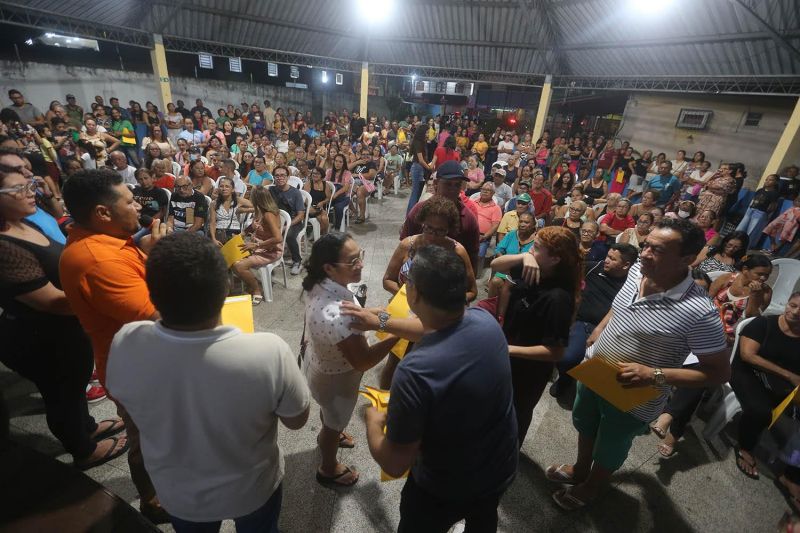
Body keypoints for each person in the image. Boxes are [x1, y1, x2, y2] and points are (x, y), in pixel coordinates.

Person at [105, 232, 309, 532]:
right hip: (252, 488)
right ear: (226, 287)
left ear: (151, 291)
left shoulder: (127, 341)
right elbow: (296, 420)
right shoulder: (268, 350)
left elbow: (125, 401)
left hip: (179, 494)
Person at [546, 218, 729, 510]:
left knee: (611, 443)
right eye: (645, 246)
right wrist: (600, 329)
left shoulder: (699, 311)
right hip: (596, 369)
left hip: (633, 392)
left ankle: (593, 486)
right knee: (586, 424)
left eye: (656, 250)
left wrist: (655, 374)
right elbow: (619, 309)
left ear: (687, 259)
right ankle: (580, 469)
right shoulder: (635, 272)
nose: (644, 253)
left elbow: (718, 371)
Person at [353, 245, 519, 531]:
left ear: (413, 294)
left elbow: (394, 463)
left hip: (445, 486)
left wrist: (372, 422)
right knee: (483, 521)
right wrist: (381, 321)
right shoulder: (485, 321)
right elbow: (433, 327)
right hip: (499, 466)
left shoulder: (416, 371)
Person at [0, 157, 129, 470]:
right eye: (18, 189)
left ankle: (87, 426)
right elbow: (49, 302)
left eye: (29, 185)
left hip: (67, 328)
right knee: (61, 393)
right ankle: (83, 449)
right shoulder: (4, 246)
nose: (31, 192)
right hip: (38, 336)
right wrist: (102, 299)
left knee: (74, 384)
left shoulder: (24, 221)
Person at [59, 168, 169, 523]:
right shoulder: (98, 260)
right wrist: (166, 257)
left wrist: (143, 250)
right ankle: (152, 500)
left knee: (152, 433)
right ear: (102, 213)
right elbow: (162, 313)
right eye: (128, 201)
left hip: (140, 358)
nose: (137, 206)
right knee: (146, 439)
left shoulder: (107, 242)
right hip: (137, 369)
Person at [301, 233, 400, 488]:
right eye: (353, 261)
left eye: (360, 256)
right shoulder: (335, 315)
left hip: (320, 363)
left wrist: (376, 314)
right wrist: (398, 333)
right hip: (337, 378)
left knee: (331, 414)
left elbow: (355, 313)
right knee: (333, 424)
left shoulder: (319, 283)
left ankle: (333, 429)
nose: (361, 264)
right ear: (329, 267)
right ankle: (328, 466)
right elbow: (363, 361)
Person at [650, 254, 773, 458]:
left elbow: (750, 322)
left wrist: (755, 296)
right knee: (694, 370)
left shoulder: (764, 292)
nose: (762, 280)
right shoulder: (727, 279)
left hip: (726, 342)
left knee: (701, 372)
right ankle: (670, 420)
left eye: (766, 276)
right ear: (745, 270)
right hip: (699, 329)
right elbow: (705, 300)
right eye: (759, 274)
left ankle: (670, 421)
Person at [491, 227, 582, 445]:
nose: (531, 249)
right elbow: (495, 265)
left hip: (527, 370)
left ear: (555, 259)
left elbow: (555, 351)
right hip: (507, 355)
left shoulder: (558, 298)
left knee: (515, 414)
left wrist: (507, 349)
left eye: (537, 247)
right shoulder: (531, 265)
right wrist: (523, 256)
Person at [381, 196, 478, 388]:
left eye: (440, 230)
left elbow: (472, 291)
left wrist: (444, 302)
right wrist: (407, 293)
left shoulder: (457, 251)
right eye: (428, 228)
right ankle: (385, 406)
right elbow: (387, 281)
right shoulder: (408, 245)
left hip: (438, 321)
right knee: (394, 363)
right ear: (422, 223)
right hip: (405, 312)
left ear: (450, 229)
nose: (433, 235)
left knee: (428, 369)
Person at [549, 244, 638, 399]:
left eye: (612, 258)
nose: (606, 260)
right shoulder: (593, 268)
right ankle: (566, 378)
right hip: (583, 324)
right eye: (607, 256)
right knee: (568, 358)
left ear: (626, 265)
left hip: (612, 332)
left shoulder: (633, 284)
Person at [729, 293, 800, 481]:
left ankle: (791, 473)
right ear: (787, 303)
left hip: (779, 384)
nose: (796, 312)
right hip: (747, 372)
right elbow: (748, 355)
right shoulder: (764, 324)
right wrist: (788, 375)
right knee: (760, 410)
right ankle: (745, 447)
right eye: (793, 305)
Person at [402, 160, 480, 272]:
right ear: (436, 184)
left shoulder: (468, 218)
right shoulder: (419, 210)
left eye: (457, 185)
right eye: (448, 184)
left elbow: (472, 258)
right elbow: (405, 245)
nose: (453, 189)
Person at [231, 185, 283, 305]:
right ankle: (252, 283)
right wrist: (242, 234)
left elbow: (278, 238)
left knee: (239, 266)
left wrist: (256, 245)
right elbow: (253, 226)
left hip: (270, 250)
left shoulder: (269, 215)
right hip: (258, 245)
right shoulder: (259, 210)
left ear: (256, 198)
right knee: (231, 258)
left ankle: (256, 289)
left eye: (251, 195)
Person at [270, 166, 305, 275]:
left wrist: (287, 226)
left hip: (294, 222)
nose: (280, 178)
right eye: (277, 176)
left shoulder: (295, 193)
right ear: (274, 177)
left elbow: (301, 215)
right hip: (276, 220)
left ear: (288, 177)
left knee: (289, 235)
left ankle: (297, 261)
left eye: (283, 175)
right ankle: (269, 258)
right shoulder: (271, 190)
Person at [735, 174, 780, 249]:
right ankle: (735, 242)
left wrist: (766, 216)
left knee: (752, 230)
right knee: (740, 227)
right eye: (766, 179)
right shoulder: (760, 190)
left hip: (760, 212)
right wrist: (749, 209)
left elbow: (773, 206)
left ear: (775, 182)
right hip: (751, 209)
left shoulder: (774, 193)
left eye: (770, 180)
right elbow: (753, 200)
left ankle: (745, 247)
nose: (767, 181)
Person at [209, 176, 253, 247]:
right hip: (219, 233)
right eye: (221, 186)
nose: (224, 189)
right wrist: (213, 239)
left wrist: (245, 210)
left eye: (227, 186)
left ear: (232, 189)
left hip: (235, 232)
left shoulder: (239, 200)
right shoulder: (214, 203)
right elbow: (212, 223)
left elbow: (257, 207)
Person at [473, 182, 503, 262]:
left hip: (483, 237)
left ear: (493, 193)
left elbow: (495, 225)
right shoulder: (473, 203)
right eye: (483, 189)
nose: (485, 192)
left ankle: (476, 274)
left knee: (478, 257)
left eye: (488, 190)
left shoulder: (496, 208)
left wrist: (484, 236)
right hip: (470, 233)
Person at [407, 124, 433, 213]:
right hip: (418, 168)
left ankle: (413, 216)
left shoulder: (422, 142)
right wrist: (429, 168)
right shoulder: (418, 142)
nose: (428, 134)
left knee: (417, 194)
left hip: (419, 168)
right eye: (427, 132)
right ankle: (409, 217)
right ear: (423, 132)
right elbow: (421, 160)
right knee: (415, 194)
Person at [303, 167, 331, 235]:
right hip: (310, 207)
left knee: (324, 218)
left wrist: (322, 202)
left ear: (322, 175)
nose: (315, 175)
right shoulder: (308, 184)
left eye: (317, 173)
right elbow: (306, 198)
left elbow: (328, 198)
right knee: (321, 218)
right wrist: (310, 206)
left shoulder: (326, 185)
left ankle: (321, 234)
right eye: (313, 173)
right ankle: (323, 235)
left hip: (321, 206)